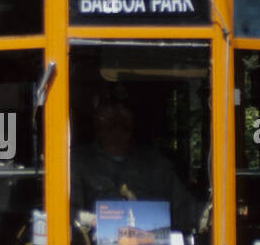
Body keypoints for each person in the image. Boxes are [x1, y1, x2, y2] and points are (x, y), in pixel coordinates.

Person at [71, 97, 203, 236]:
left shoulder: (156, 163)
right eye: (109, 114)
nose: (116, 119)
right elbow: (66, 213)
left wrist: (207, 214)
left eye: (123, 114)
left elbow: (183, 209)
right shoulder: (78, 162)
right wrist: (94, 220)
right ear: (96, 121)